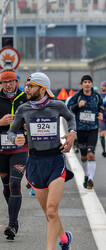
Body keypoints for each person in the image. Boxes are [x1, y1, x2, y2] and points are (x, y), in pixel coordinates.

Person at [7, 72, 76, 249]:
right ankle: (64, 238)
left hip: (55, 161)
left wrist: (72, 134)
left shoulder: (57, 105)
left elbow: (70, 118)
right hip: (35, 163)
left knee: (52, 210)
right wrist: (15, 139)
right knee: (49, 213)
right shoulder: (24, 109)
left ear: (42, 88)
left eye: (30, 86)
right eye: (26, 85)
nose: (26, 89)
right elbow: (11, 131)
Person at [0, 68, 28, 240]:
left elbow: (40, 117)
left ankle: (12, 224)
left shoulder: (26, 98)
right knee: (6, 186)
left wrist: (28, 125)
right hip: (2, 149)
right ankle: (14, 220)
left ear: (17, 82)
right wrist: (1, 122)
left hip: (20, 147)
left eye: (11, 81)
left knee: (15, 183)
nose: (9, 85)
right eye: (5, 82)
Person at [67, 75, 103, 189]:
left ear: (92, 84)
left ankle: (90, 179)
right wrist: (78, 105)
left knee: (90, 154)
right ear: (81, 84)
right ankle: (86, 176)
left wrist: (101, 113)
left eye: (89, 82)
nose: (87, 84)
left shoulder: (96, 96)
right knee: (83, 157)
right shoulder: (77, 96)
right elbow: (69, 108)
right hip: (81, 130)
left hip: (93, 129)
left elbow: (101, 106)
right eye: (85, 82)